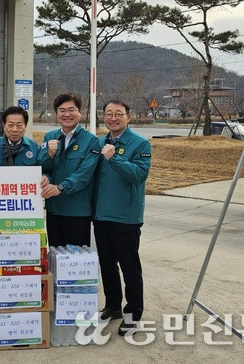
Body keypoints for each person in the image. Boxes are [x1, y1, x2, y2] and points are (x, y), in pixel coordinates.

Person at [93, 99, 152, 337]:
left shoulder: (140, 143)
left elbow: (139, 175)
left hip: (126, 218)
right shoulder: (100, 142)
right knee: (106, 264)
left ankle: (133, 314)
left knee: (129, 267)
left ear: (129, 116)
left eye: (119, 114)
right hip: (101, 215)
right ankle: (113, 306)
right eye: (109, 114)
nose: (113, 118)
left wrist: (114, 158)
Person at [38, 93, 101, 247]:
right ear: (56, 113)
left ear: (80, 111)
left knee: (75, 261)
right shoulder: (49, 137)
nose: (67, 114)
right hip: (53, 210)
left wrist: (60, 187)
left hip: (77, 211)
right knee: (55, 257)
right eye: (62, 110)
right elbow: (43, 167)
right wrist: (49, 157)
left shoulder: (91, 141)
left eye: (71, 110)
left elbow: (84, 174)